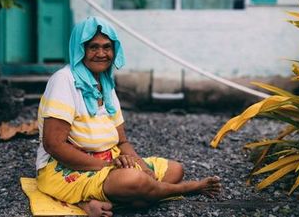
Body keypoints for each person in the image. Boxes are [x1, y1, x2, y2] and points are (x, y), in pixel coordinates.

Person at [36, 16, 221, 217]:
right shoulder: (64, 81)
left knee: (175, 170)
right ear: (80, 50)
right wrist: (108, 167)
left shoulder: (106, 84)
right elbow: (54, 145)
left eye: (107, 47)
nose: (101, 53)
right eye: (93, 47)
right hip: (68, 168)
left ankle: (108, 203)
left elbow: (122, 141)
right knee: (134, 181)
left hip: (110, 158)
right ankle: (187, 189)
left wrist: (142, 166)